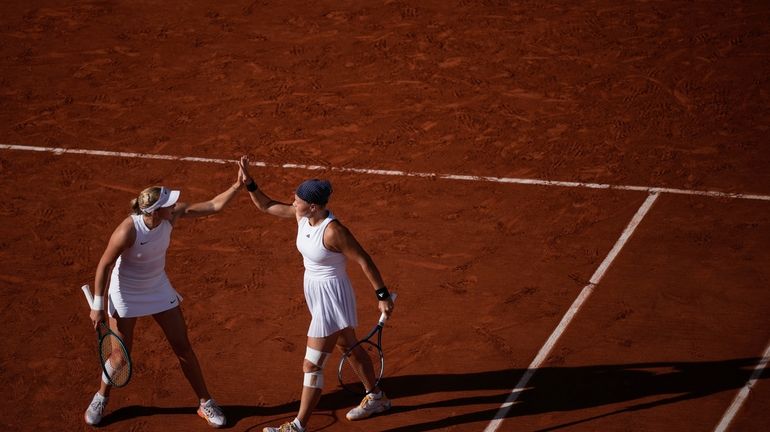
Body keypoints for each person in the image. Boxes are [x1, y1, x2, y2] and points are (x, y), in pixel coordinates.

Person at [237, 156, 395, 432]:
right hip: (315, 292)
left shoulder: (334, 231)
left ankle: (298, 426)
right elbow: (266, 205)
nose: (292, 201)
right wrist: (249, 183)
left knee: (311, 365)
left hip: (331, 298)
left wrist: (381, 295)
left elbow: (364, 260)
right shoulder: (302, 215)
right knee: (349, 347)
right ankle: (377, 397)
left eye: (297, 198)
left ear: (313, 206)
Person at [84, 172, 244, 428]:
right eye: (168, 204)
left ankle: (205, 403)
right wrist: (98, 305)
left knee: (183, 347)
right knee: (119, 357)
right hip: (126, 292)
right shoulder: (128, 230)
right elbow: (104, 265)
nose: (175, 206)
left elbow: (214, 205)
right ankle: (101, 397)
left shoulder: (172, 215)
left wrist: (237, 185)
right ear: (155, 212)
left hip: (157, 287)